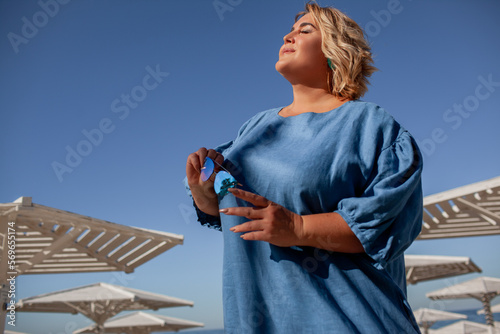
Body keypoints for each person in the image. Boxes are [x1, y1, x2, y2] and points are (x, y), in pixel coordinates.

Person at [185, 3, 423, 333]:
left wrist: (298, 228)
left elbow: (384, 225)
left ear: (336, 49)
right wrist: (203, 194)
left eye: (305, 30)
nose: (288, 35)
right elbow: (230, 207)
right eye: (292, 29)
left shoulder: (370, 125)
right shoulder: (255, 128)